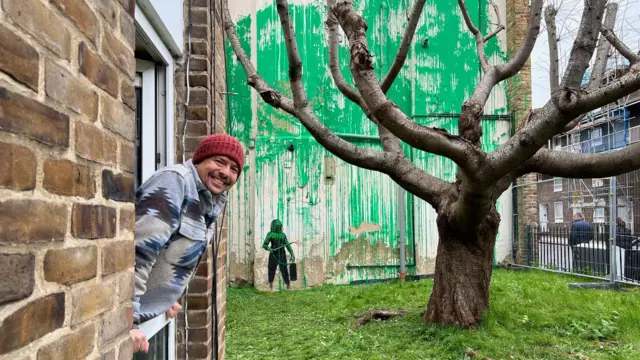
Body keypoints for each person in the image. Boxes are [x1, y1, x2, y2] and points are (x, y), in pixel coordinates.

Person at [130, 134, 244, 354]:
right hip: (130, 326)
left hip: (148, 317)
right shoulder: (175, 182)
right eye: (219, 162)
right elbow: (138, 253)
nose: (225, 173)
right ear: (200, 159)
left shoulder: (208, 199)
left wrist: (165, 297)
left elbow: (172, 252)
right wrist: (130, 321)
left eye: (234, 169)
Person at [262, 219, 295, 290]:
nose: (278, 227)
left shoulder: (283, 235)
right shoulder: (270, 234)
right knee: (271, 269)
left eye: (279, 226)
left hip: (282, 254)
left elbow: (287, 245)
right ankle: (270, 284)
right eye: (277, 226)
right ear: (274, 226)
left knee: (284, 270)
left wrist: (292, 254)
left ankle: (287, 284)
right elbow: (264, 245)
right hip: (273, 254)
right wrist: (269, 249)